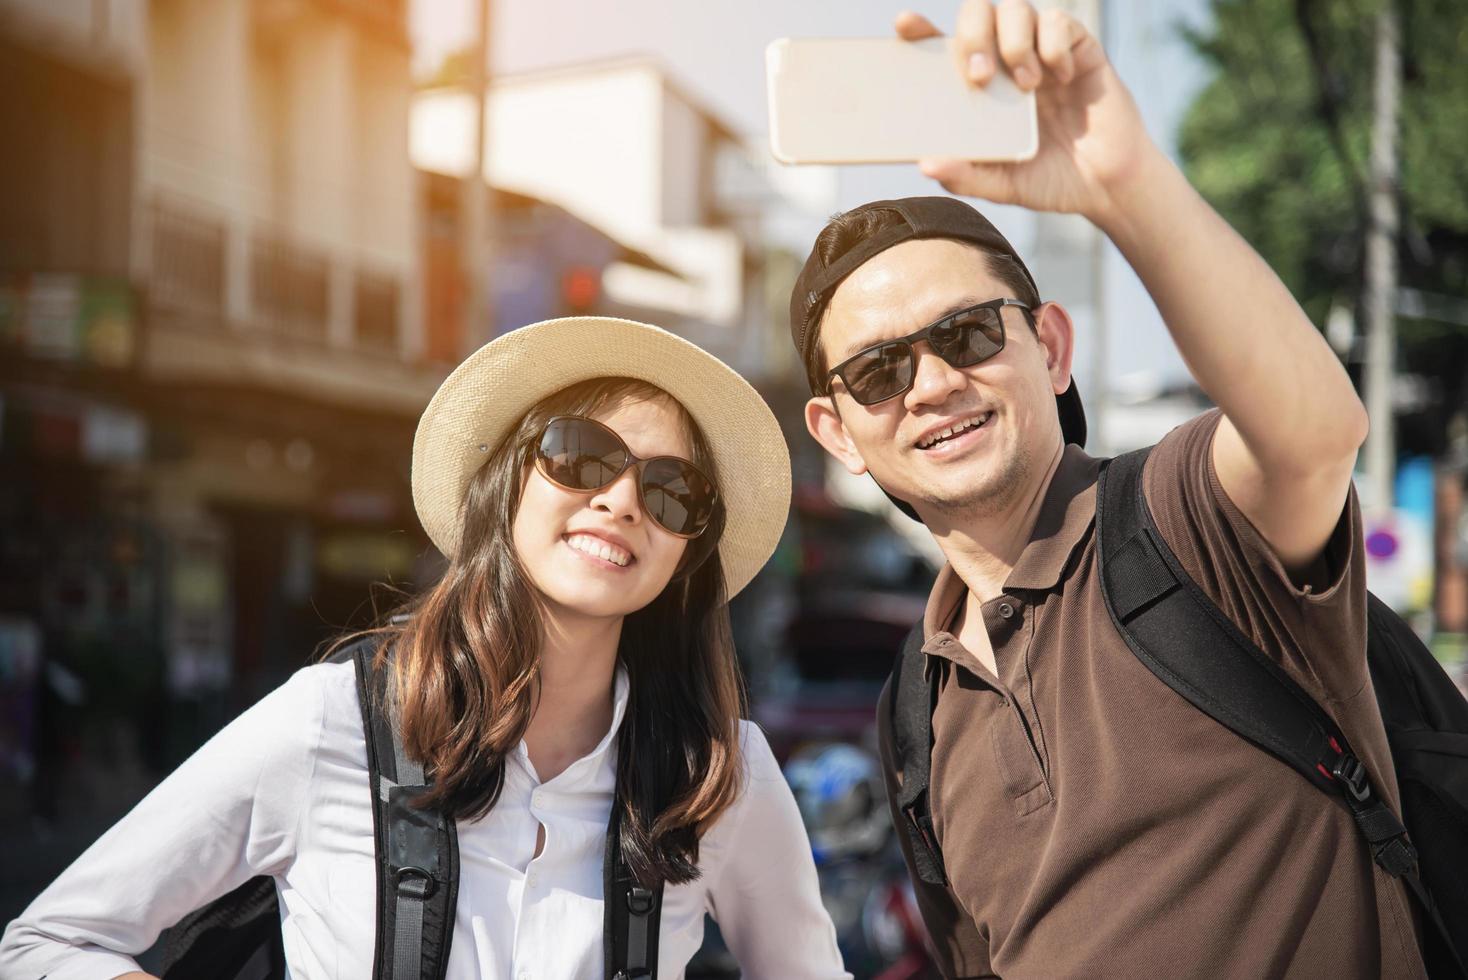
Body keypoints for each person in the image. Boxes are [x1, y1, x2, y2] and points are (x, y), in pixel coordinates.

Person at [789, 3, 1423, 978]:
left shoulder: (1182, 518)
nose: (930, 386)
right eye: (877, 371)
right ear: (838, 433)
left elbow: (1313, 435)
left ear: (1047, 346)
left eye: (966, 334)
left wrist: (1120, 182)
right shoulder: (913, 707)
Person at [1, 316, 850, 979]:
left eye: (672, 489)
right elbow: (49, 943)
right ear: (506, 484)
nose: (623, 501)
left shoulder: (716, 774)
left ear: (686, 550)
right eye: (582, 458)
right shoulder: (333, 720)